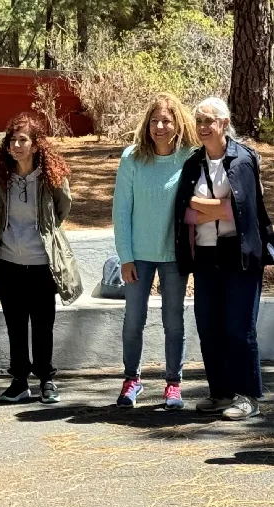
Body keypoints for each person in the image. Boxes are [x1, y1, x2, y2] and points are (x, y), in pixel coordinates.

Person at [176, 97, 273, 420]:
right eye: (199, 121)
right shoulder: (192, 164)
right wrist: (211, 207)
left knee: (238, 327)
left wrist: (203, 206)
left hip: (240, 255)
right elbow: (184, 213)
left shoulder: (242, 160)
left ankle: (247, 396)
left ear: (224, 124)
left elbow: (241, 213)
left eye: (209, 121)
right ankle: (220, 393)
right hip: (204, 255)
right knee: (209, 325)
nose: (203, 127)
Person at [112, 92, 199, 410]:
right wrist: (126, 257)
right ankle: (131, 380)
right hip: (139, 257)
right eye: (154, 121)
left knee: (173, 321)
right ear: (146, 125)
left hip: (175, 257)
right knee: (133, 321)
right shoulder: (132, 158)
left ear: (178, 123)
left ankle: (173, 385)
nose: (159, 127)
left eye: (166, 120)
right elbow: (121, 212)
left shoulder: (191, 157)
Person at [0, 112, 82, 404]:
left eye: (23, 140)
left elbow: (62, 208)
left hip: (43, 264)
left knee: (43, 324)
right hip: (8, 263)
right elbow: (0, 210)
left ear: (35, 145)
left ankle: (46, 379)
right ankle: (19, 382)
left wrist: (45, 231)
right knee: (15, 325)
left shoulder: (51, 178)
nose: (16, 146)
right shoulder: (1, 178)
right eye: (12, 141)